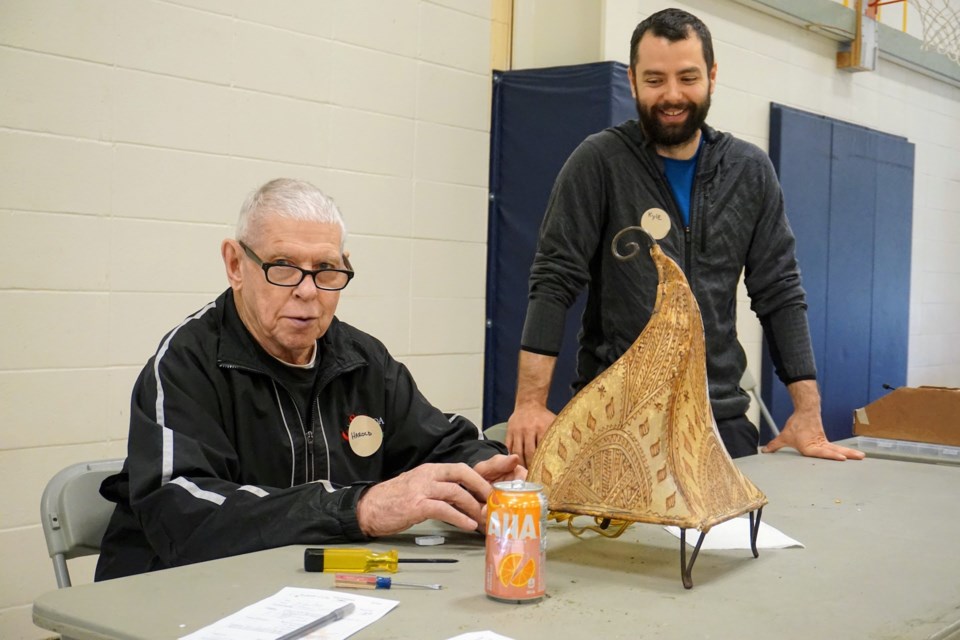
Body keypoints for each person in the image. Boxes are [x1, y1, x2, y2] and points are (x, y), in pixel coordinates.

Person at [96, 178, 524, 580]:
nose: (307, 290)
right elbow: (182, 515)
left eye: (325, 269)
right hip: (179, 601)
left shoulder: (362, 360)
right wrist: (358, 509)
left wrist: (491, 476)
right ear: (235, 264)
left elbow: (442, 444)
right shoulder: (187, 362)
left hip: (307, 593)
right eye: (282, 266)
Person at [506, 8, 865, 466]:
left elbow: (780, 292)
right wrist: (530, 403)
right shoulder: (598, 162)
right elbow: (553, 281)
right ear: (633, 81)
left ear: (712, 77)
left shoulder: (748, 171)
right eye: (655, 79)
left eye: (687, 77)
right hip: (617, 421)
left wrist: (806, 412)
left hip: (721, 422)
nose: (672, 95)